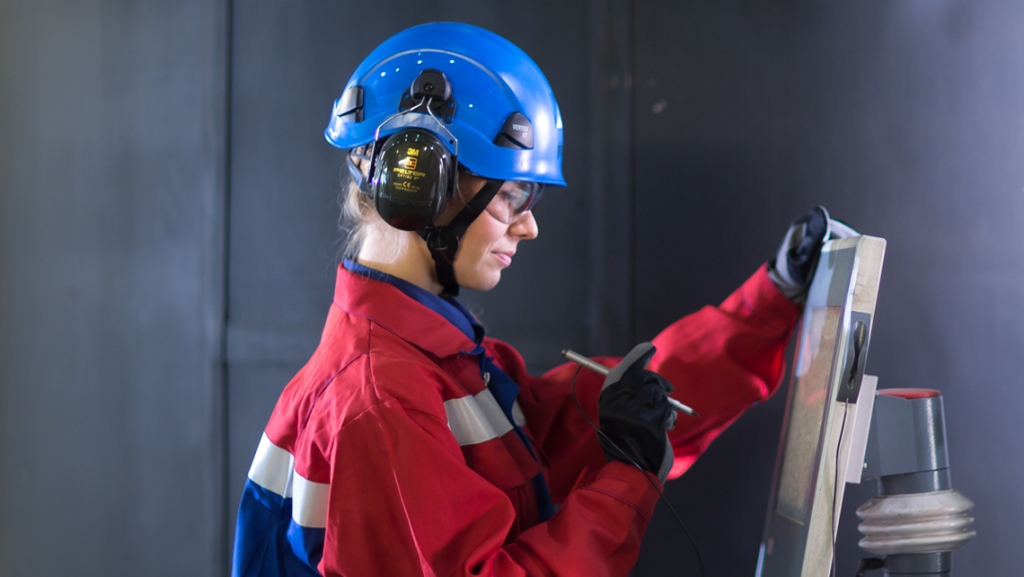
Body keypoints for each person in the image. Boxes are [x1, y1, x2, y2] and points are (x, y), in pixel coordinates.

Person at [231, 22, 850, 577]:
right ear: (423, 184)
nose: (528, 227)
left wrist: (771, 300)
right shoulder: (381, 400)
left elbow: (576, 424)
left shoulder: (428, 367)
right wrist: (627, 478)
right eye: (514, 196)